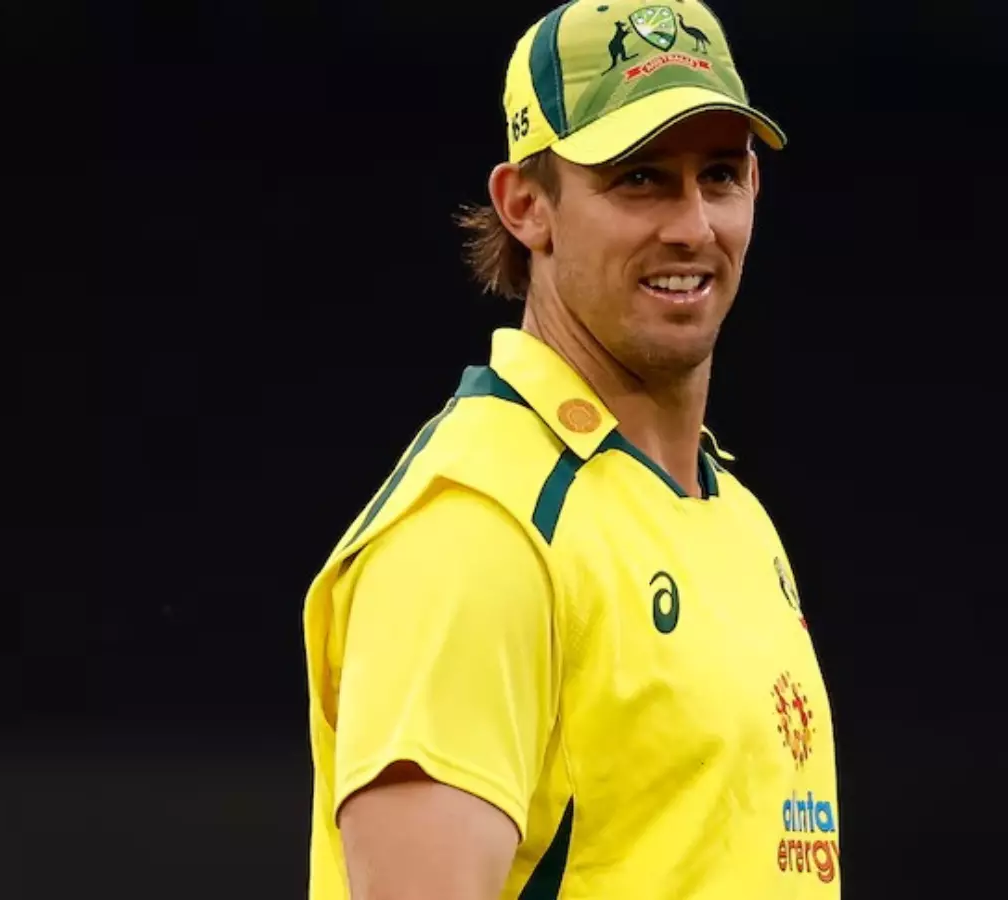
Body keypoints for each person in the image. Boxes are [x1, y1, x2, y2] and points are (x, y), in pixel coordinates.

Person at [301, 1, 841, 897]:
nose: (693, 226)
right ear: (526, 206)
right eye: (639, 179)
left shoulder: (733, 517)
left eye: (718, 175)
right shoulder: (479, 527)